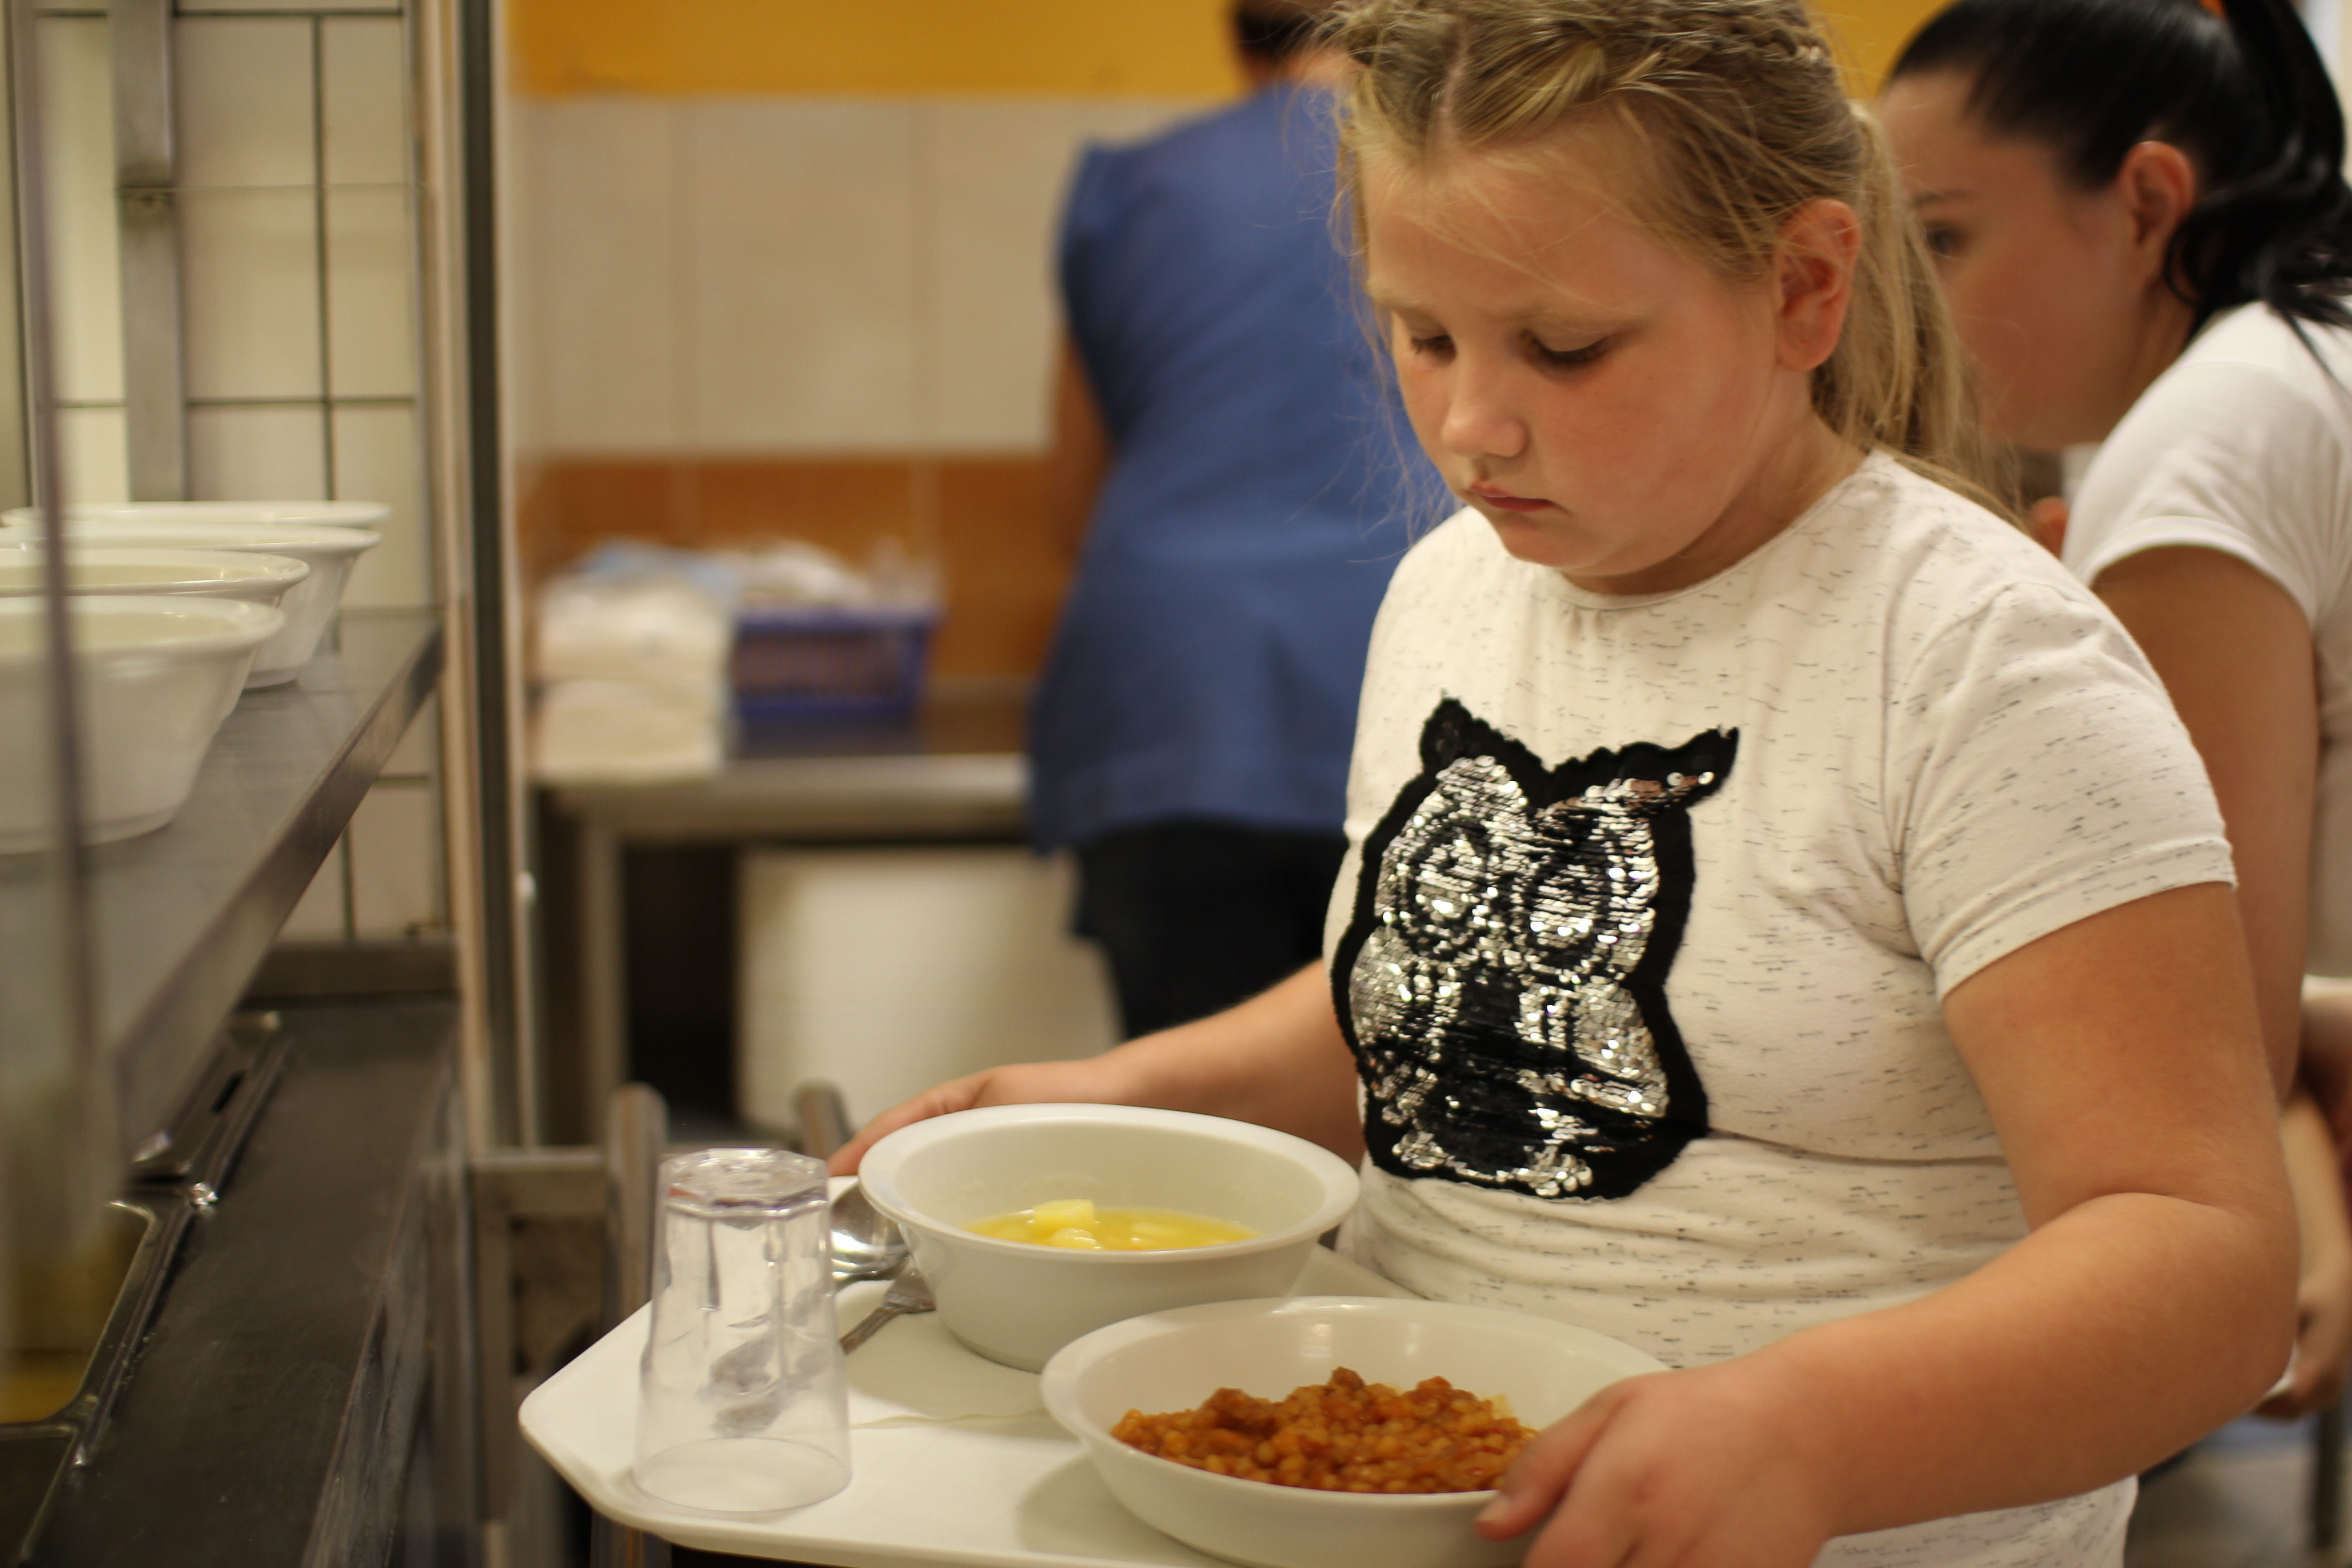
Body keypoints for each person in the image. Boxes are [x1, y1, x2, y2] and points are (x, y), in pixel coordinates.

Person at [846, 2, 2296, 1563]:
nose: (1471, 426)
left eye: (1565, 347)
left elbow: (2205, 1266)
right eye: (1423, 337)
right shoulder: (1453, 591)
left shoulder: (1980, 664)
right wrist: (1126, 1096)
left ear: (1805, 288)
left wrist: (1803, 1431)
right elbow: (1420, 1009)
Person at [1880, 0, 2352, 1419]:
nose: (1905, 305)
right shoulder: (2293, 364)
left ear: (2147, 203)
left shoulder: (2207, 435)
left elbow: (2207, 1033)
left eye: (1942, 240)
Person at [1030, 0, 1443, 1041]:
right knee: (1413, 1098)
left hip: (1169, 698)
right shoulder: (1447, 167)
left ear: (1236, 36)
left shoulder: (1132, 187)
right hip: (1409, 678)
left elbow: (1071, 502)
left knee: (1192, 1117)